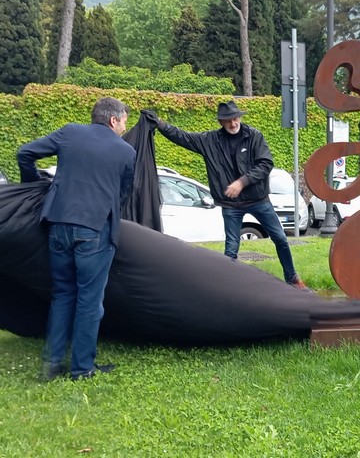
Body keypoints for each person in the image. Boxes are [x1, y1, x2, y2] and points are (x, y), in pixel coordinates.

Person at [17, 97, 136, 381]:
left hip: (57, 225)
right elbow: (123, 193)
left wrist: (33, 185)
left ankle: (52, 363)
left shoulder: (69, 132)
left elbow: (25, 153)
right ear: (113, 120)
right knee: (89, 300)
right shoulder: (126, 151)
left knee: (62, 294)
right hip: (94, 230)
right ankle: (82, 368)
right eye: (123, 122)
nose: (124, 127)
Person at [145, 101, 308, 289]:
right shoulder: (210, 140)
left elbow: (265, 164)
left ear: (240, 117)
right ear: (221, 122)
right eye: (228, 120)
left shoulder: (254, 136)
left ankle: (293, 279)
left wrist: (241, 182)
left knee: (280, 237)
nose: (233, 123)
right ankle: (227, 287)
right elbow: (183, 137)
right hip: (231, 205)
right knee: (231, 249)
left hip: (258, 200)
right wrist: (160, 124)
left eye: (235, 118)